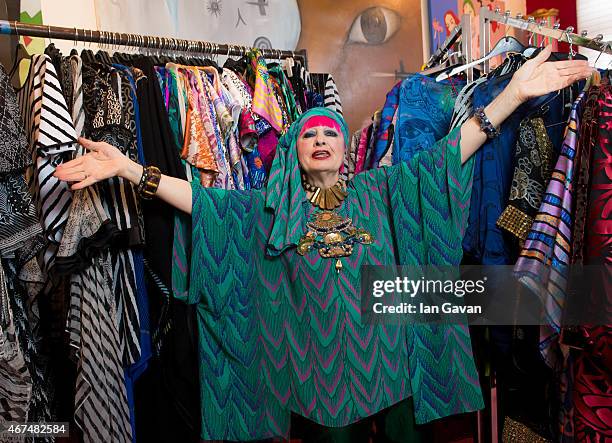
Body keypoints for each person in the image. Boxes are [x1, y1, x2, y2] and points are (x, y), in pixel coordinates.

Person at [54, 46, 593, 442]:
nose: (319, 140)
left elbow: (449, 155)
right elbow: (204, 202)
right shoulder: (273, 208)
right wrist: (130, 168)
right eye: (309, 134)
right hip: (319, 379)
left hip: (391, 361)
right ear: (296, 148)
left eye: (329, 133)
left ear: (343, 147)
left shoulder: (380, 190)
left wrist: (514, 95)